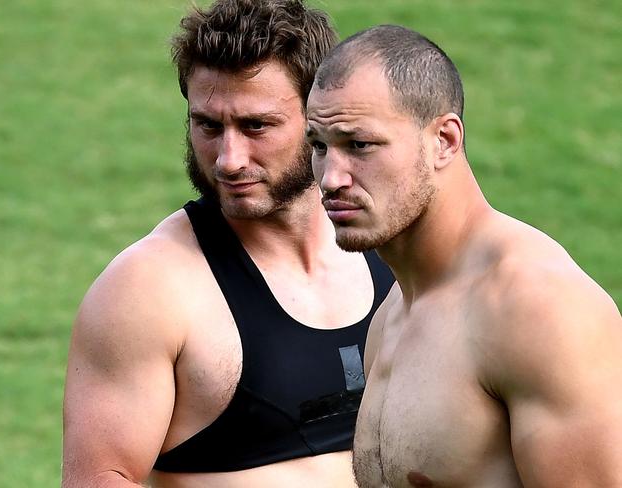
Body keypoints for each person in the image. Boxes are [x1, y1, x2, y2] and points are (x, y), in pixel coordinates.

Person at [62, 2, 394, 487]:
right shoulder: (148, 290)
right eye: (209, 126)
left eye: (256, 126)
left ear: (320, 118)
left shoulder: (400, 252)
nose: (229, 161)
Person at [306, 24, 622, 488]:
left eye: (360, 145)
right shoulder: (391, 314)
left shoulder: (536, 307)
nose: (331, 177)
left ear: (445, 141)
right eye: (319, 146)